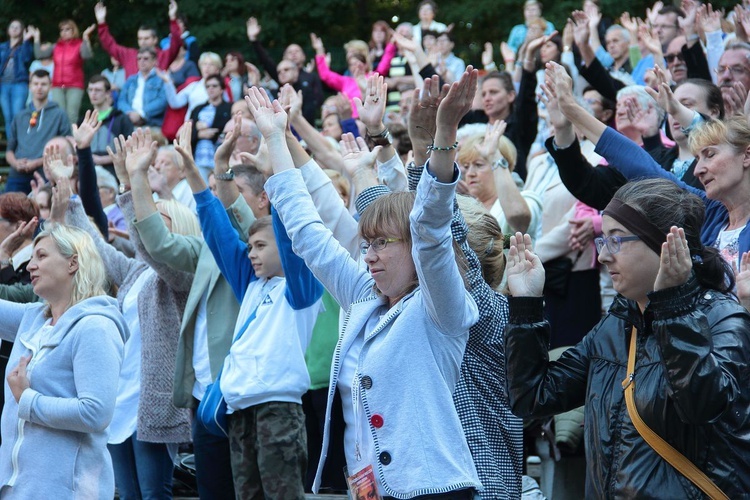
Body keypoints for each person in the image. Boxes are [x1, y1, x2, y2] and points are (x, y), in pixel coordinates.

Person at [258, 66, 482, 495]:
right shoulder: (365, 294)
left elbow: (431, 228)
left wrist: (444, 136)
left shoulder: (441, 304)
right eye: (367, 244)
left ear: (413, 247)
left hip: (435, 490)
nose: (370, 255)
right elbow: (307, 233)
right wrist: (275, 138)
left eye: (382, 243)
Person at [504, 177, 750, 497]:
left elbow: (701, 406)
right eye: (602, 241)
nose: (604, 256)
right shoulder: (617, 324)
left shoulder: (724, 319)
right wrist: (526, 306)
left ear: (664, 244)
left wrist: (673, 308)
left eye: (616, 240)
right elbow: (532, 397)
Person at [170, 120, 323, 498]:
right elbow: (218, 233)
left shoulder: (302, 288)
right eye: (250, 247)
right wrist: (196, 174)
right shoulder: (253, 285)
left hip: (278, 409)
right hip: (238, 411)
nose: (250, 254)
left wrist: (274, 178)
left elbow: (290, 238)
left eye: (260, 246)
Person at [0, 223, 127, 498]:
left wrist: (28, 400)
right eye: (31, 257)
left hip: (67, 491)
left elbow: (95, 412)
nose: (31, 265)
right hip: (18, 488)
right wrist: (2, 257)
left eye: (41, 256)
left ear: (73, 263)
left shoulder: (95, 327)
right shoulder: (34, 318)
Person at [246, 17, 323, 124]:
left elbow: (318, 100)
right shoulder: (279, 80)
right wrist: (254, 40)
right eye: (290, 52)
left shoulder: (311, 78)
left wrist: (320, 51)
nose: (293, 54)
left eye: (297, 51)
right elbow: (266, 61)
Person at [5, 69, 71, 194]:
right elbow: (9, 151)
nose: (39, 87)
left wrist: (36, 162)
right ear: (30, 86)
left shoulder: (59, 114)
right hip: (17, 173)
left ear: (50, 87)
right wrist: (16, 163)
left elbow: (66, 148)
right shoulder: (20, 116)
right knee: (7, 208)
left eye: (43, 84)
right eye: (36, 84)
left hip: (45, 172)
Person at [94, 0, 182, 78]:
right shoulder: (129, 55)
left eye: (146, 38)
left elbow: (176, 42)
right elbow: (109, 45)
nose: (142, 42)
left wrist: (173, 18)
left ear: (155, 40)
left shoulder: (164, 56)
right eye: (140, 39)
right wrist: (101, 22)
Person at [30, 20, 95, 125]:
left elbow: (87, 55)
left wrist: (86, 38)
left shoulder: (79, 44)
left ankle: (70, 140)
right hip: (57, 85)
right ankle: (60, 140)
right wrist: (36, 38)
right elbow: (39, 55)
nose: (64, 32)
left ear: (74, 31)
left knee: (71, 115)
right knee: (59, 114)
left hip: (75, 85)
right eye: (62, 30)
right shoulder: (56, 46)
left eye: (67, 29)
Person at [86, 75, 134, 176]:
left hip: (115, 173)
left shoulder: (121, 118)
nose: (93, 94)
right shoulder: (84, 120)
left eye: (98, 90)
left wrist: (103, 159)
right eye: (90, 90)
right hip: (89, 173)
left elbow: (131, 151)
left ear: (108, 93)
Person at [189, 73, 232, 181]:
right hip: (199, 158)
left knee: (223, 189)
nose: (210, 89)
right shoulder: (197, 109)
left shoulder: (229, 108)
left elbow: (229, 129)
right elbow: (188, 131)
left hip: (221, 158)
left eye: (214, 86)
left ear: (222, 89)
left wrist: (210, 133)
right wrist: (199, 134)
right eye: (207, 86)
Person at [117, 48, 168, 127]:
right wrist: (129, 112)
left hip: (151, 123)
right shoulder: (131, 79)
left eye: (146, 59)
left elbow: (163, 101)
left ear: (154, 61)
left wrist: (141, 113)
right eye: (139, 59)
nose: (141, 61)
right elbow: (121, 100)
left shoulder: (161, 78)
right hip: (129, 121)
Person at [0, 20, 34, 139]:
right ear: (8, 30)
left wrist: (25, 40)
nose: (14, 29)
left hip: (19, 84)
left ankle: (20, 145)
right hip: (3, 85)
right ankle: (12, 147)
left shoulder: (25, 46)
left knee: (17, 116)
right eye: (12, 27)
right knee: (8, 117)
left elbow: (26, 59)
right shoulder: (2, 47)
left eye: (17, 27)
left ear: (21, 31)